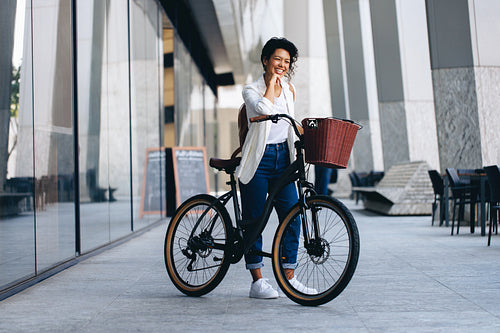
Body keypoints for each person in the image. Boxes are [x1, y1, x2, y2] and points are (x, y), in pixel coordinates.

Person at [236, 37, 315, 299]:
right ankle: (257, 281)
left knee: (293, 216)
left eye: (286, 61)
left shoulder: (290, 90)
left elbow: (289, 121)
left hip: (283, 159)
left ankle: (288, 277)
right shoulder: (251, 89)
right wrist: (271, 84)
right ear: (265, 60)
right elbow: (263, 109)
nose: (282, 64)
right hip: (259, 160)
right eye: (277, 59)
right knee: (255, 221)